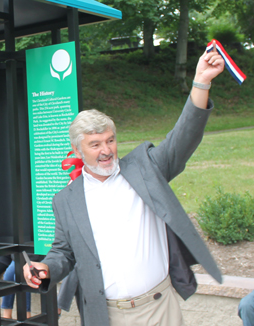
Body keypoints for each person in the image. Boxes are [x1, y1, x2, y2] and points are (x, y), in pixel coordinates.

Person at [23, 42, 225, 326]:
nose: (106, 150)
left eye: (110, 140)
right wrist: (45, 267)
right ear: (78, 152)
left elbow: (183, 139)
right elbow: (64, 252)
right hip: (106, 315)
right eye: (95, 144)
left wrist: (201, 82)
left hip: (159, 308)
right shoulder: (66, 200)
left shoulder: (145, 168)